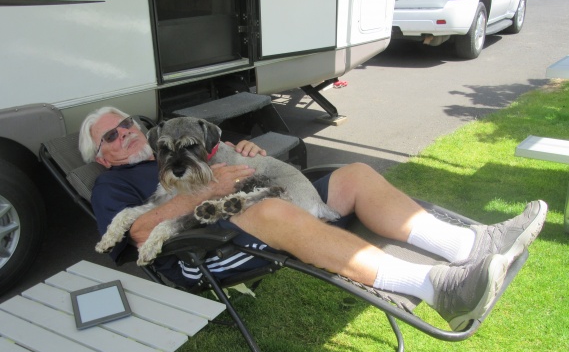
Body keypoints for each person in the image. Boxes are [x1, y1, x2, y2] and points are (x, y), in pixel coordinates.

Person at [79, 106, 547, 331]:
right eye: (110, 139)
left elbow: (232, 162)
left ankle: (471, 246)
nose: (125, 137)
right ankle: (438, 288)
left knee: (356, 175)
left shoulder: (181, 135)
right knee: (267, 207)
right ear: (101, 158)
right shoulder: (113, 187)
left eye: (127, 127)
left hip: (255, 192)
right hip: (203, 245)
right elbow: (139, 235)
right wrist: (214, 189)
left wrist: (244, 153)